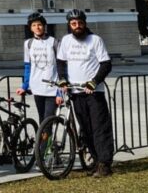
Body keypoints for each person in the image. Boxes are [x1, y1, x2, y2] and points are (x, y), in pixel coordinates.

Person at [57, 9, 114, 178]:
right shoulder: (66, 41)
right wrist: (62, 80)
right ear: (69, 25)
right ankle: (95, 161)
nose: (77, 26)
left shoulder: (95, 40)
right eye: (73, 23)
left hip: (93, 92)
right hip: (76, 92)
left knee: (100, 128)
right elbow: (60, 63)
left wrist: (94, 81)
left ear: (85, 23)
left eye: (80, 23)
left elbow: (106, 65)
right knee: (86, 129)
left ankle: (105, 164)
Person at [16, 13, 63, 123]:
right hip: (37, 88)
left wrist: (60, 92)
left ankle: (46, 140)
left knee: (48, 121)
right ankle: (44, 140)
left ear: (44, 26)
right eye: (34, 25)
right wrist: (24, 86)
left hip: (52, 89)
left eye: (39, 25)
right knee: (42, 120)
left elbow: (61, 68)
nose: (37, 27)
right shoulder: (28, 43)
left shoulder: (54, 42)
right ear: (30, 28)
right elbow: (28, 66)